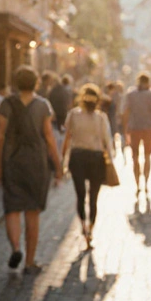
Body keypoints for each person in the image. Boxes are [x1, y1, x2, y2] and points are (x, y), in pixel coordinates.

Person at [0, 66, 62, 274]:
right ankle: (30, 262)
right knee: (32, 212)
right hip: (36, 162)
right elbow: (49, 138)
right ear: (36, 83)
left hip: (12, 161)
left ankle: (16, 248)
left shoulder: (7, 103)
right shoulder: (43, 105)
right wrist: (58, 165)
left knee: (12, 208)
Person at [62, 83, 112, 248]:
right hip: (96, 158)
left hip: (77, 157)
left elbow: (67, 138)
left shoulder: (73, 115)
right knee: (93, 197)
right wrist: (110, 160)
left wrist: (63, 161)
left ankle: (84, 226)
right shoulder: (101, 118)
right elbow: (107, 142)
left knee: (81, 195)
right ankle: (90, 229)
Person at [121, 73, 151, 194]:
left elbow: (125, 112)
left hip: (134, 128)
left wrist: (125, 129)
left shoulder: (130, 95)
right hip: (148, 129)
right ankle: (146, 183)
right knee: (147, 156)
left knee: (135, 157)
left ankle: (138, 183)